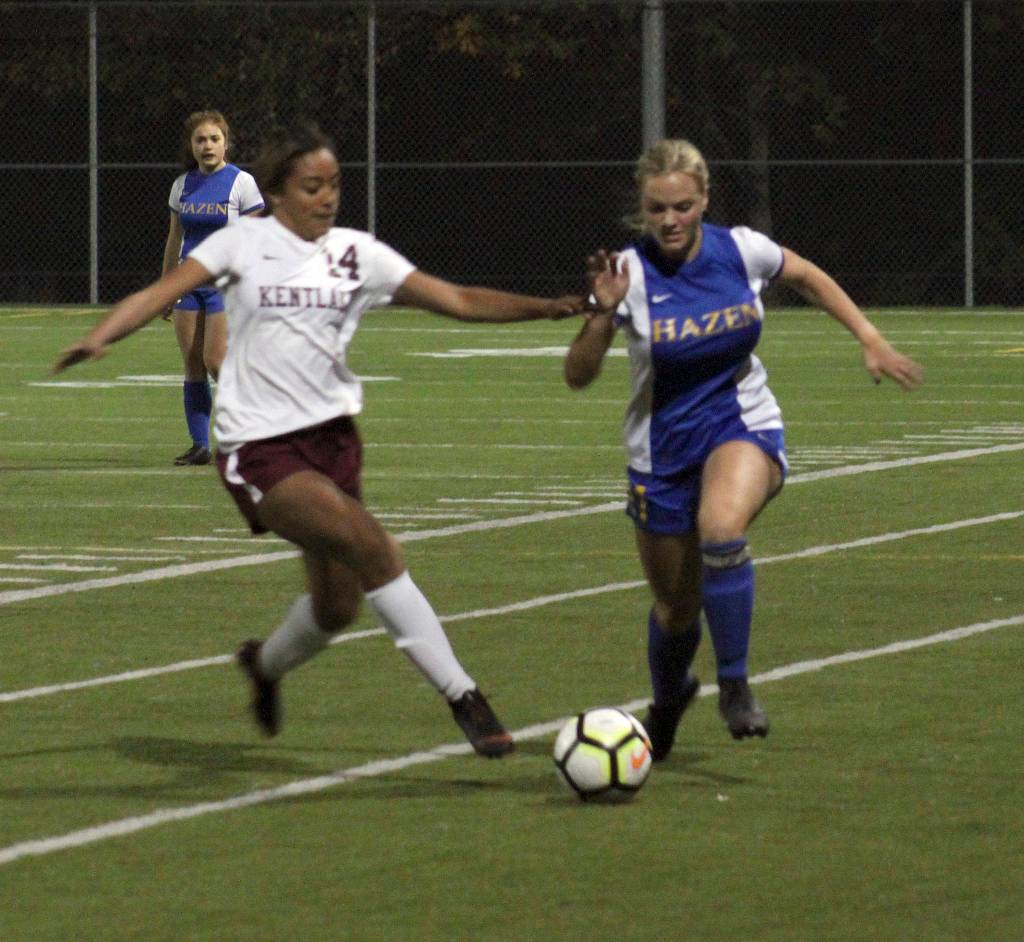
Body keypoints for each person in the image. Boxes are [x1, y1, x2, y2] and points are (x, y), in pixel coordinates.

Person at [55, 122, 584, 758]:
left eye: (334, 184)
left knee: (336, 608)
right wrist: (102, 334)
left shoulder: (358, 253)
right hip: (258, 448)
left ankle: (264, 667)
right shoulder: (243, 243)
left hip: (333, 443)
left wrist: (554, 307)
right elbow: (161, 291)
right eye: (312, 186)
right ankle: (464, 696)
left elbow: (460, 299)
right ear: (278, 192)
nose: (327, 197)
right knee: (375, 547)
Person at [564, 138, 922, 760]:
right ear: (641, 210)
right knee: (676, 609)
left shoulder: (741, 249)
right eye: (657, 209)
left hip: (742, 423)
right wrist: (600, 312)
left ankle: (735, 684)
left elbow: (806, 275)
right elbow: (577, 374)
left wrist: (869, 336)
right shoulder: (629, 274)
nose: (670, 220)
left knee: (721, 529)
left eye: (682, 206)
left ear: (703, 201)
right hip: (663, 451)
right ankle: (669, 701)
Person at [161, 110, 264, 466]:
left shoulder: (242, 183)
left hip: (225, 285)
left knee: (216, 361)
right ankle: (200, 446)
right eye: (200, 140)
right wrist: (166, 287)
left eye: (214, 139)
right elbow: (175, 238)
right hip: (188, 284)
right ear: (191, 146)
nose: (207, 146)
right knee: (192, 365)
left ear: (226, 143)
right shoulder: (182, 185)